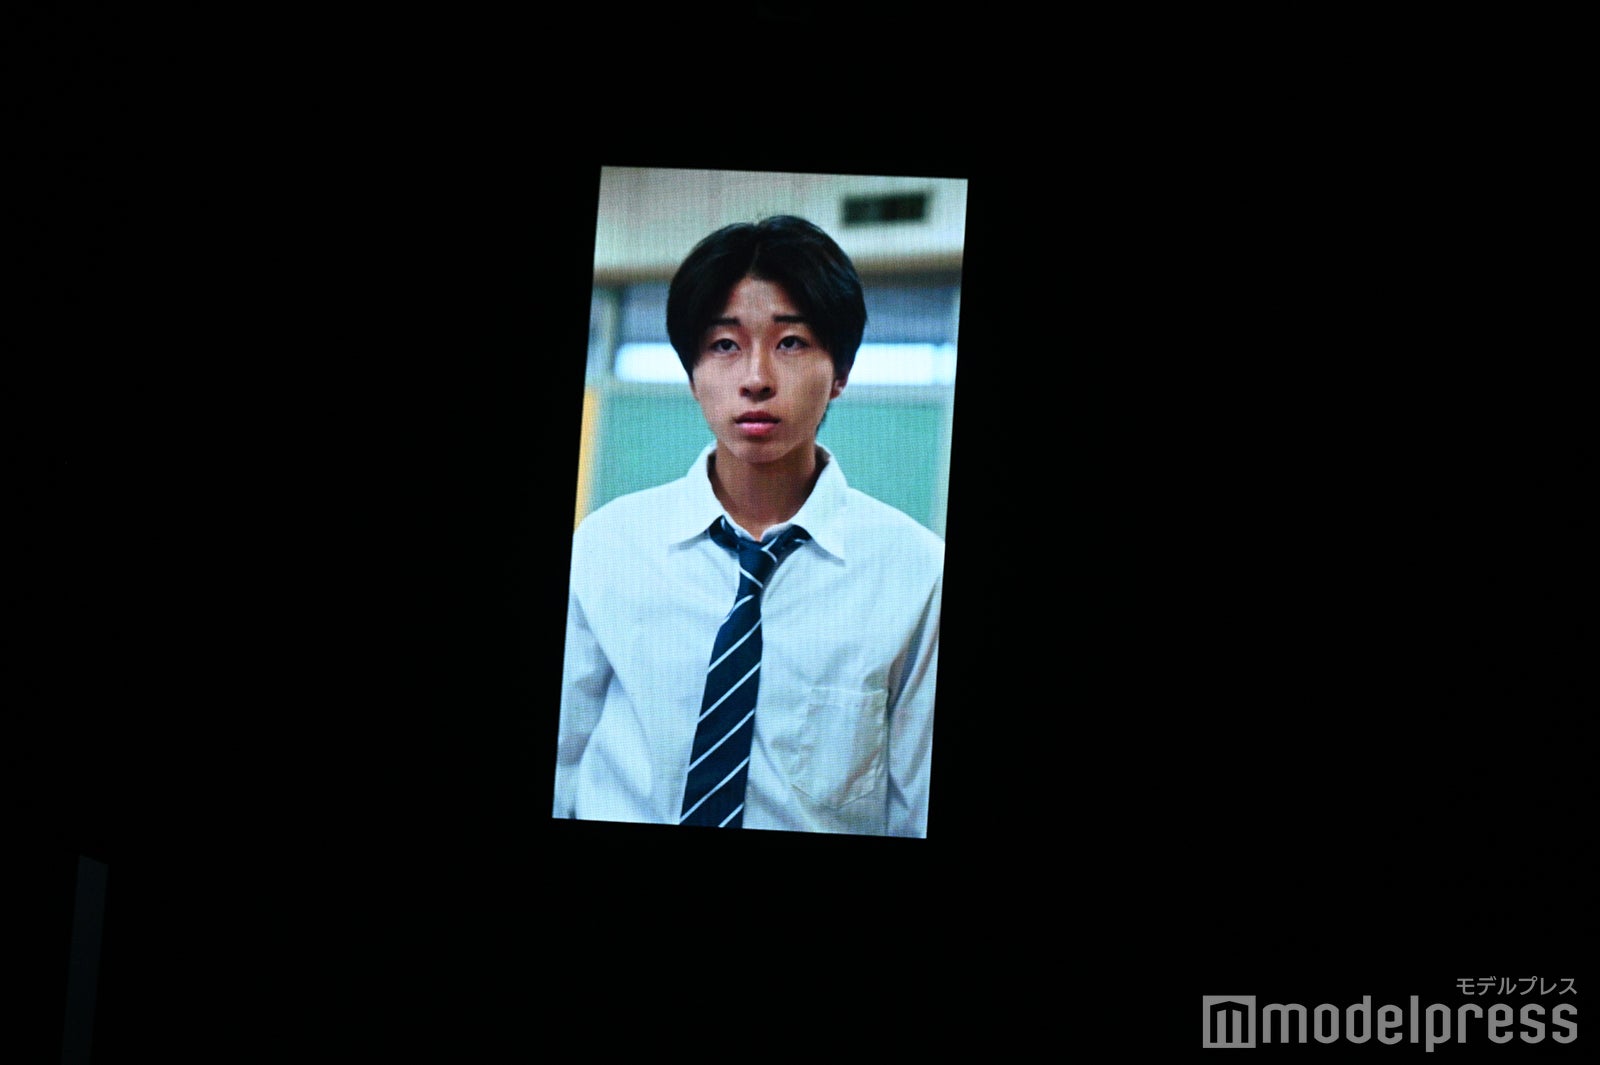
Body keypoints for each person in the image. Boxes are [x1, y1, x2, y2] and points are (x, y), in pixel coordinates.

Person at [552, 214, 943, 837]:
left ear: (840, 372)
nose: (756, 378)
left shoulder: (917, 573)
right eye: (724, 345)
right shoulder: (607, 546)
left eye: (791, 343)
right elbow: (563, 764)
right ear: (692, 374)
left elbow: (916, 807)